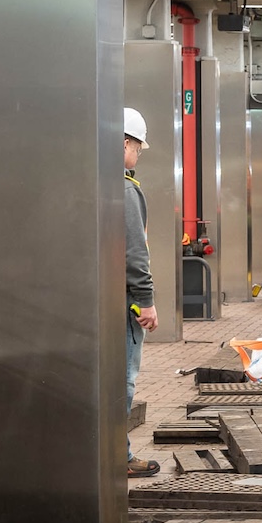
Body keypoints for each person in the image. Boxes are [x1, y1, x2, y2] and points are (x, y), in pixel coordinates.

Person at [121, 108, 161, 478]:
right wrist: (146, 302)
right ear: (124, 143)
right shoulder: (126, 189)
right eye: (137, 147)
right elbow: (136, 253)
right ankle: (120, 456)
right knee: (123, 381)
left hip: (96, 302)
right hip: (123, 305)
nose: (138, 155)